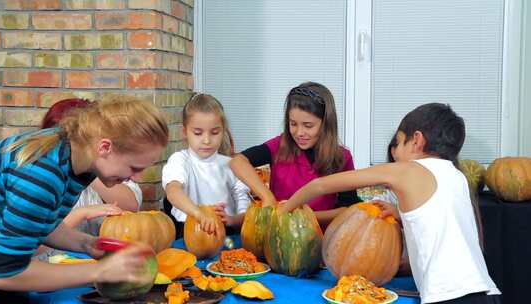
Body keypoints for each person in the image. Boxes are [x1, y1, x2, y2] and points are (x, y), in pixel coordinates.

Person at [280, 103, 500, 304]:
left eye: (399, 140)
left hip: (449, 298)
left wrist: (285, 209)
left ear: (416, 140)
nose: (395, 152)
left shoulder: (406, 171)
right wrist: (400, 214)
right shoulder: (457, 177)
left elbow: (320, 185)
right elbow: (440, 224)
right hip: (486, 292)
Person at [0, 96, 169, 302]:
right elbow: (5, 275)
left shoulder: (77, 157)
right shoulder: (43, 176)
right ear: (104, 147)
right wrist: (98, 271)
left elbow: (42, 221)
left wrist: (87, 244)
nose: (138, 178)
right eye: (134, 168)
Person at [229, 82, 361, 227]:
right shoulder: (279, 146)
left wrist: (300, 215)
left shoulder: (342, 157)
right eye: (293, 124)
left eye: (308, 126)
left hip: (321, 238)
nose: (299, 133)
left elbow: (347, 209)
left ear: (326, 124)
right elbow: (237, 161)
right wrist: (267, 197)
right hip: (278, 234)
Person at [41, 98, 143, 235]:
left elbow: (131, 206)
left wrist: (90, 166)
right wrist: (81, 214)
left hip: (96, 251)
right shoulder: (43, 176)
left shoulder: (112, 167)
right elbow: (37, 238)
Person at [162, 93, 250, 238]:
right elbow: (173, 191)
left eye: (214, 132)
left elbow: (245, 212)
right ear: (185, 132)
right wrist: (199, 214)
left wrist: (232, 220)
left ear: (223, 132)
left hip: (226, 236)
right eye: (198, 133)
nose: (207, 140)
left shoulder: (231, 166)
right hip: (185, 234)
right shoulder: (180, 160)